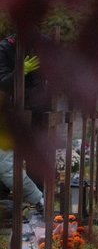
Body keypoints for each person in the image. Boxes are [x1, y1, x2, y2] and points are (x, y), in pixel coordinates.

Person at [0, 35, 45, 211]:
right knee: (7, 164)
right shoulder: (4, 50)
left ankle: (38, 201)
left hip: (33, 114)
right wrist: (19, 72)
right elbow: (3, 84)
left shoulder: (37, 48)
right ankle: (38, 201)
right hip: (11, 114)